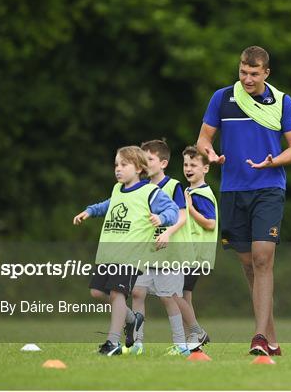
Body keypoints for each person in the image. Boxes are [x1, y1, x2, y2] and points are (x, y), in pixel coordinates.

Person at [197, 45, 291, 356]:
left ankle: (258, 336)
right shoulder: (222, 98)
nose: (247, 78)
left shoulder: (283, 102)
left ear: (266, 73)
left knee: (262, 259)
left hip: (269, 187)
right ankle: (270, 337)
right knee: (249, 266)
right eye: (243, 72)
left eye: (254, 73)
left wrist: (275, 162)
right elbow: (203, 138)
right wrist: (210, 154)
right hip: (232, 190)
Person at [73, 145, 179, 356]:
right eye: (116, 165)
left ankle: (112, 343)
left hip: (131, 256)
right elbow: (108, 206)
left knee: (117, 293)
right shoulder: (117, 190)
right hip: (108, 254)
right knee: (97, 292)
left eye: (124, 164)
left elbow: (173, 211)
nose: (118, 169)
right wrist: (90, 211)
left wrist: (161, 218)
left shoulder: (150, 192)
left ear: (139, 167)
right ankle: (132, 319)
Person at [129, 139, 206, 356]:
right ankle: (136, 343)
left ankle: (181, 344)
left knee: (169, 296)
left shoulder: (173, 186)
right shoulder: (141, 188)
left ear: (163, 163)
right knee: (136, 292)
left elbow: (182, 216)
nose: (144, 163)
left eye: (149, 159)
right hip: (148, 252)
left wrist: (167, 232)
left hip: (170, 252)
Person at [181, 145, 218, 349]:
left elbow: (210, 223)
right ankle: (191, 340)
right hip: (188, 253)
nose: (188, 168)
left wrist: (190, 208)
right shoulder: (190, 191)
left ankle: (197, 333)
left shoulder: (201, 194)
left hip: (196, 254)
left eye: (193, 164)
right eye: (186, 164)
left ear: (205, 169)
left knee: (176, 294)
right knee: (184, 295)